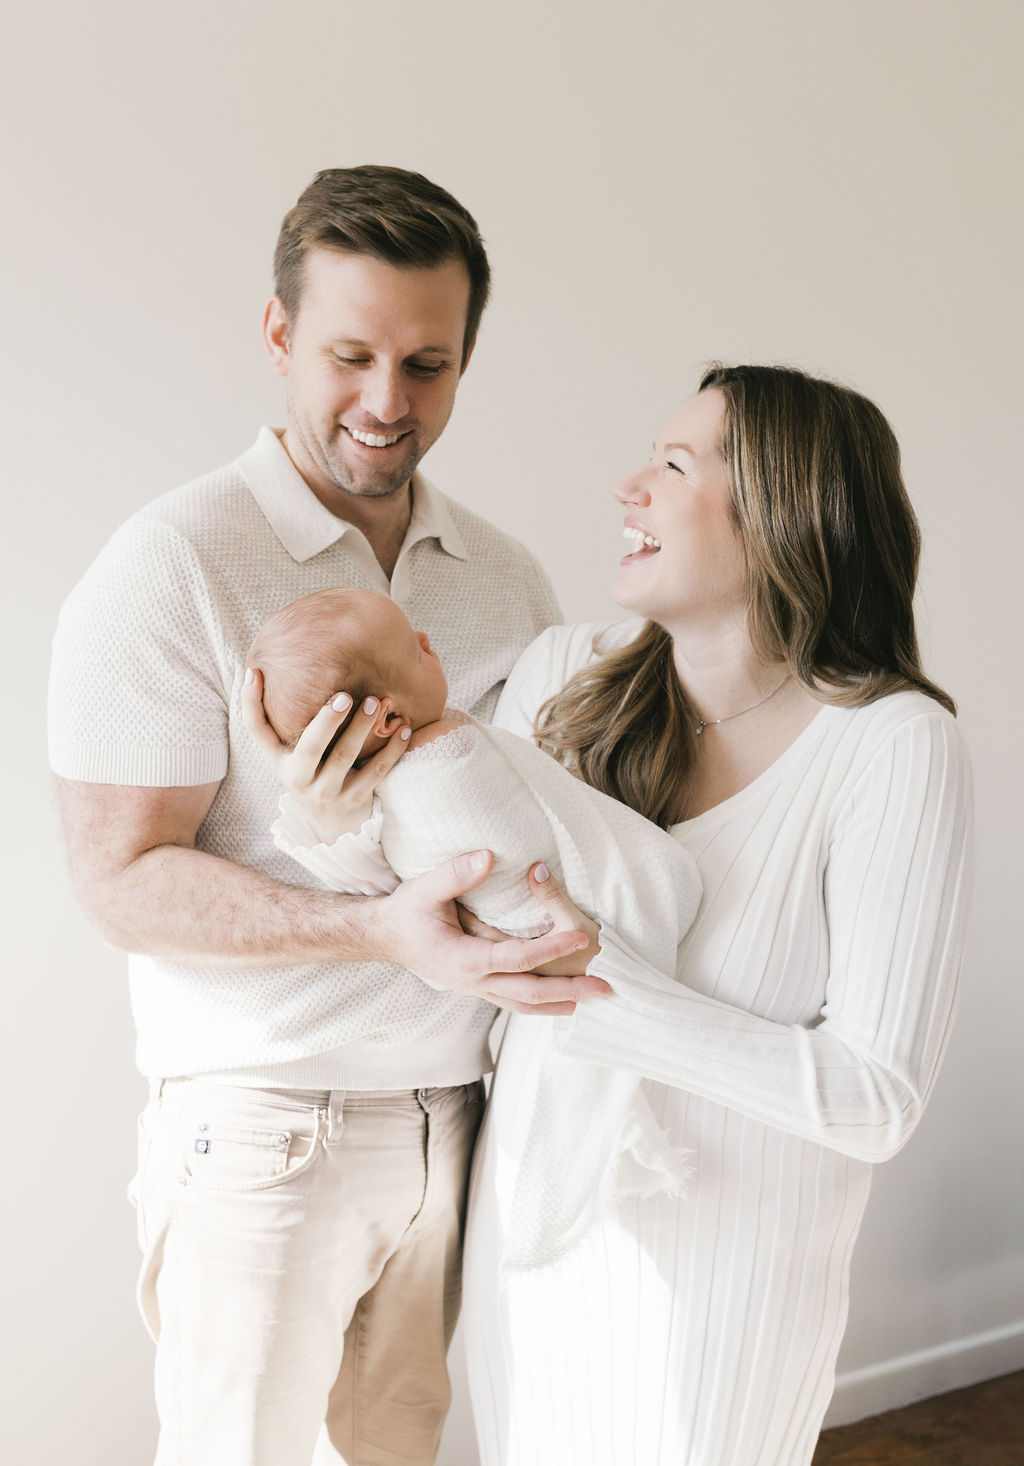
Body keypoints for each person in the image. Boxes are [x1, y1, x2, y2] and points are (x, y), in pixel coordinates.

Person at [261, 364, 972, 1466]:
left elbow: (873, 1098)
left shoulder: (890, 745)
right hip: (540, 1242)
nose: (626, 485)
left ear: (781, 513)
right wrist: (325, 821)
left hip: (728, 1289)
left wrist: (600, 995)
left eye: (673, 465)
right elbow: (457, 884)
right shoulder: (566, 674)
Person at [46, 165, 604, 1466]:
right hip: (261, 1123)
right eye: (350, 354)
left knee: (402, 1445)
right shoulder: (172, 561)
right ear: (279, 334)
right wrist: (377, 931)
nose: (385, 404)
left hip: (455, 1116)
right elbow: (117, 876)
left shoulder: (507, 578)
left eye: (428, 364)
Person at [247, 583, 704, 1266]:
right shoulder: (438, 773)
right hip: (300, 1108)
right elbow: (467, 871)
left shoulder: (451, 734)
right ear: (384, 719)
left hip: (463, 1077)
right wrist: (330, 823)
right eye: (413, 646)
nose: (431, 643)